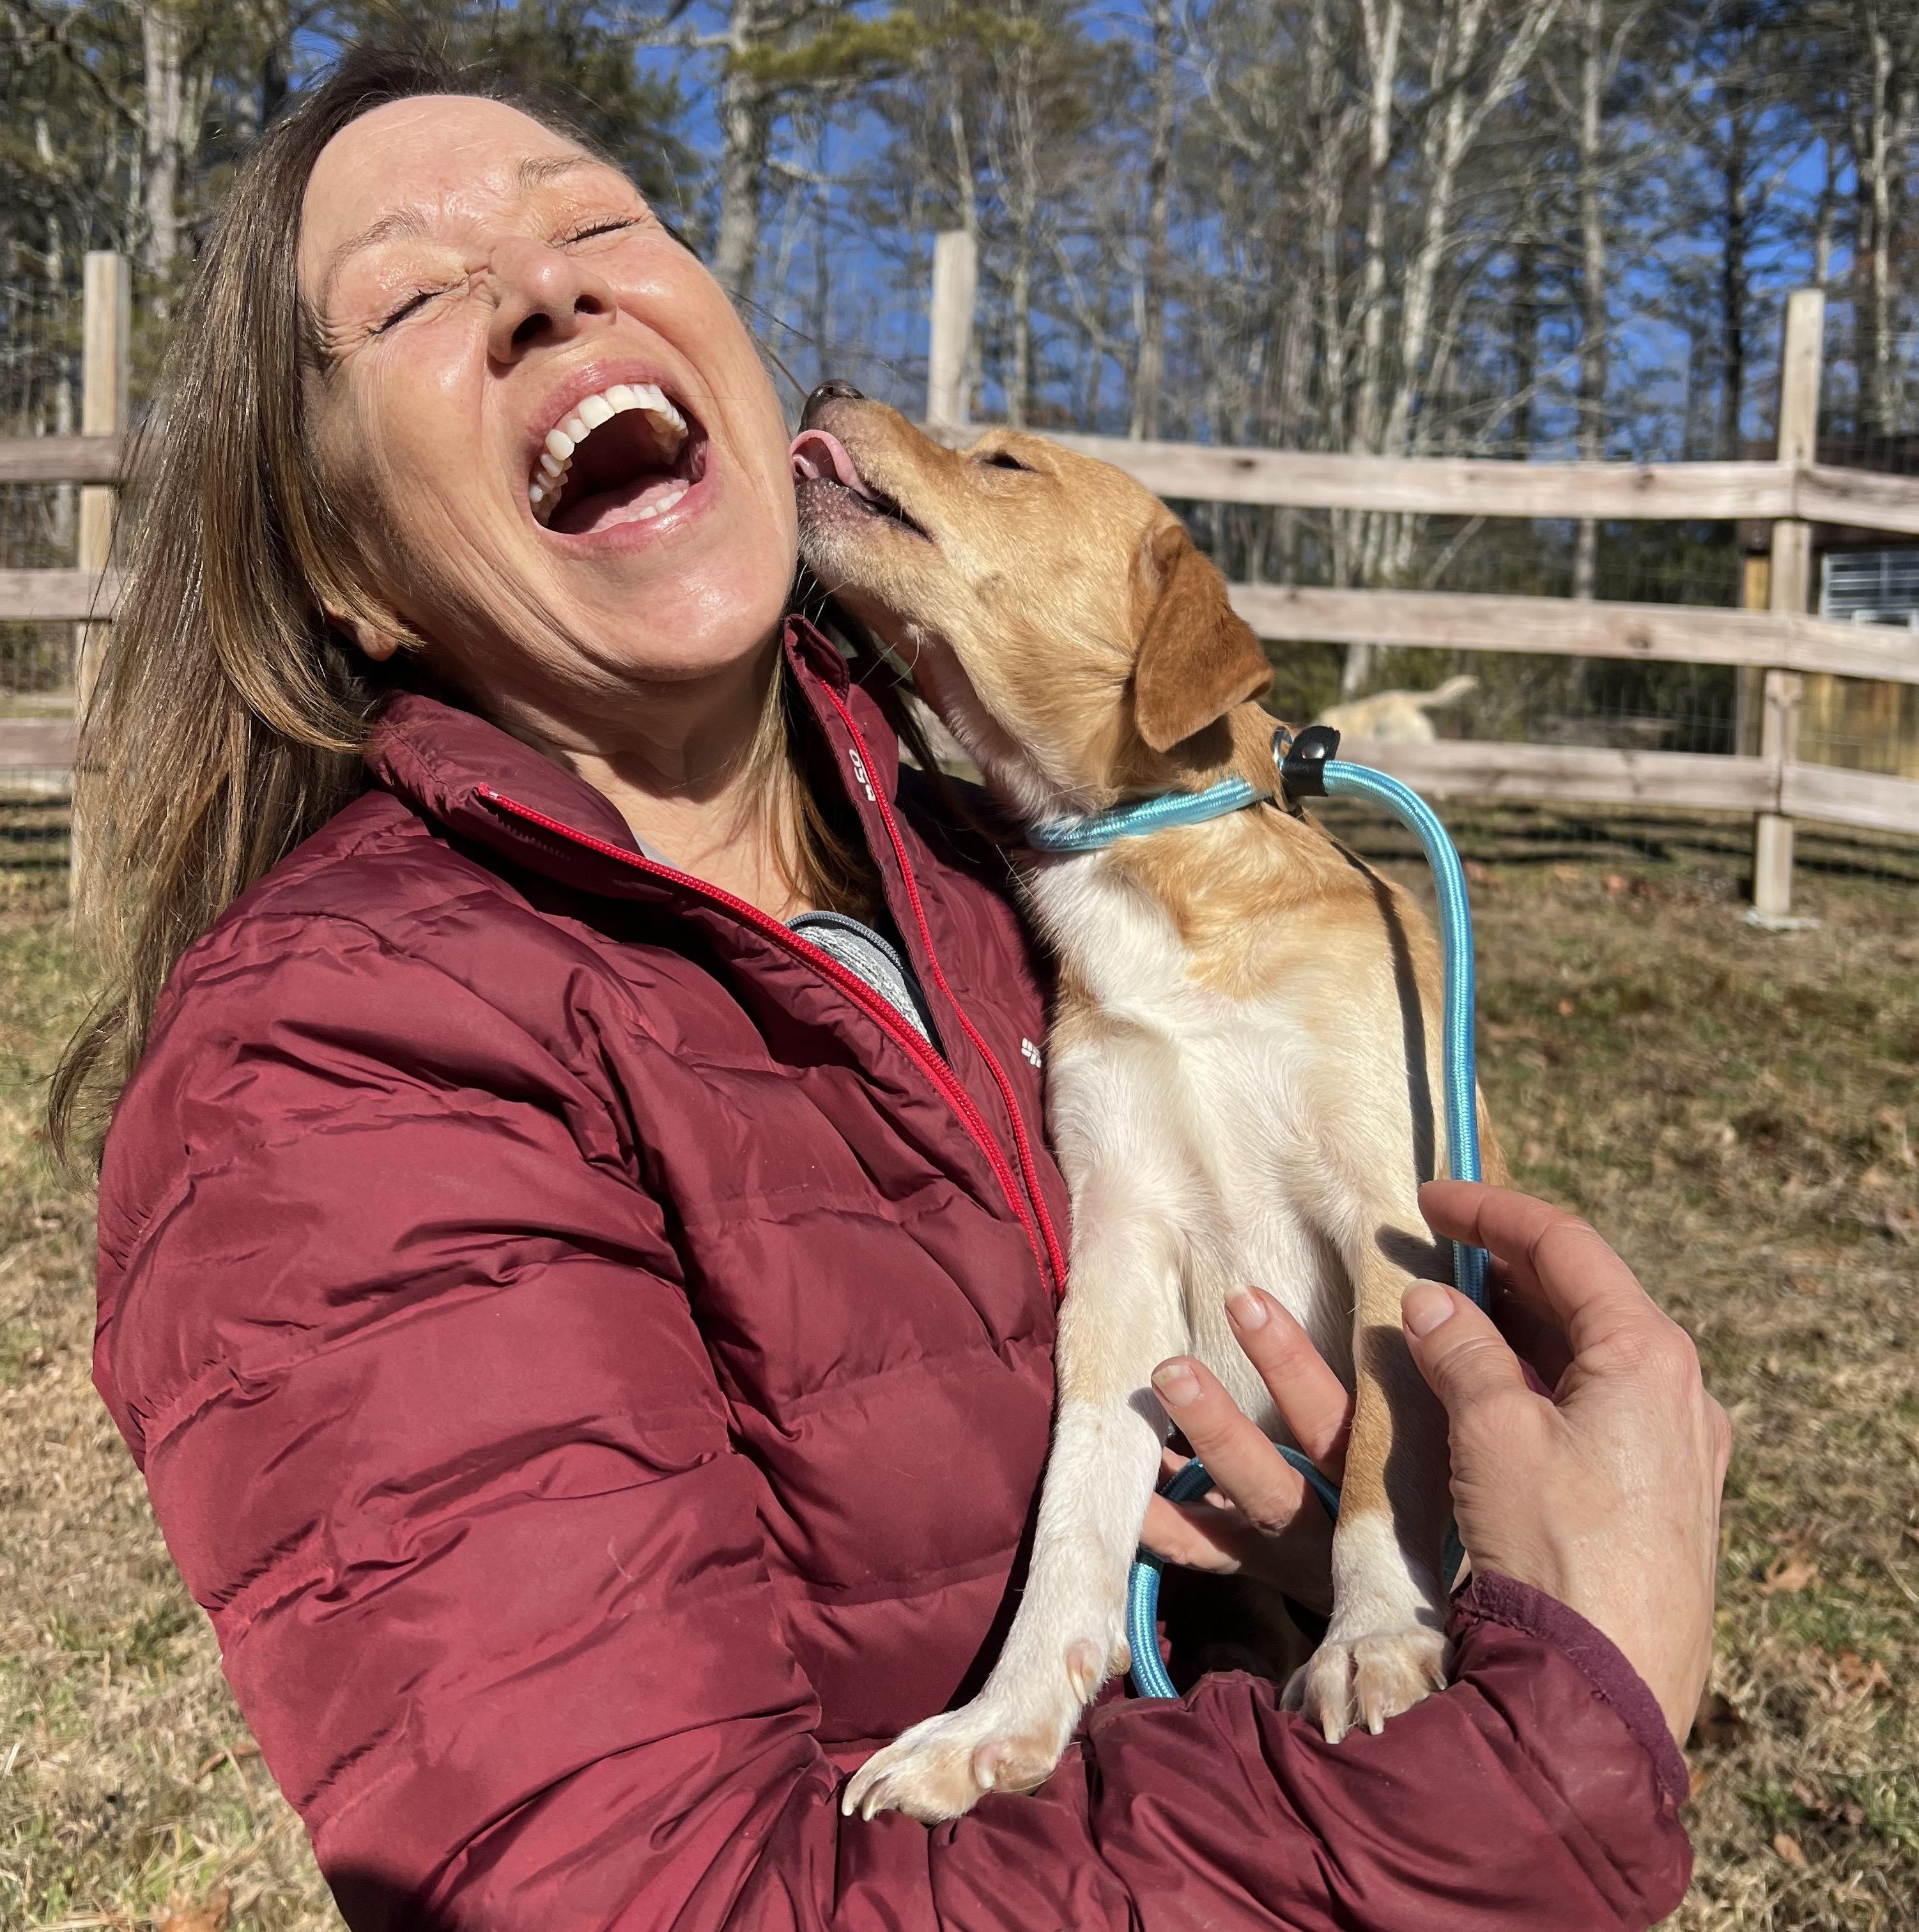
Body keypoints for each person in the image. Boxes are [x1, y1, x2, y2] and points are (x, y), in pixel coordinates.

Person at [63, 47, 1729, 1932]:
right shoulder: (333, 1076)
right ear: (342, 567)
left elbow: (1213, 1334)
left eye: (605, 220)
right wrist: (1536, 1752)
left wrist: (1339, 1544)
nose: (546, 282)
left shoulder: (976, 866)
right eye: (418, 293)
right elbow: (649, 1892)